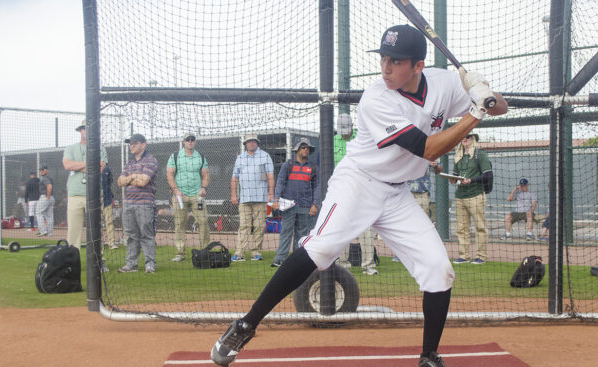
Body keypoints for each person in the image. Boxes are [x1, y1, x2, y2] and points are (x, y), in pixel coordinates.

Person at [211, 24, 507, 367]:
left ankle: (428, 356)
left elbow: (501, 107)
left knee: (439, 269)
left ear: (418, 66)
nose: (385, 66)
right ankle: (245, 325)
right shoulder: (376, 98)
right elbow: (427, 149)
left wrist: (485, 92)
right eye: (383, 58)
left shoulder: (443, 83)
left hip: (397, 194)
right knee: (320, 249)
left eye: (396, 61)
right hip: (359, 182)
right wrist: (475, 112)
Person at [333, 114, 379, 274]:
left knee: (367, 229)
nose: (344, 133)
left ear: (352, 126)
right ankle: (343, 266)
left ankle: (369, 266)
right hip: (342, 190)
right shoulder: (332, 142)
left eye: (347, 129)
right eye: (342, 130)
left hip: (363, 189)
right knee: (343, 228)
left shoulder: (363, 138)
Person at [270, 138, 320, 267]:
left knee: (302, 234)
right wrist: (276, 199)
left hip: (305, 205)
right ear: (297, 149)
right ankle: (280, 259)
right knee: (285, 231)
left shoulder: (313, 167)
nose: (306, 150)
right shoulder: (288, 164)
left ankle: (297, 260)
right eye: (303, 147)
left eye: (308, 148)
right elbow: (280, 181)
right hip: (288, 205)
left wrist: (315, 204)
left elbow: (317, 186)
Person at [62, 121, 108, 249]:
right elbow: (67, 165)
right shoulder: (70, 148)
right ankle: (72, 261)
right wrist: (90, 164)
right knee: (73, 231)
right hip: (74, 194)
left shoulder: (100, 148)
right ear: (80, 130)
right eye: (84, 128)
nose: (87, 131)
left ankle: (100, 260)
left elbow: (99, 169)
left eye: (90, 128)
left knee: (95, 230)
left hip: (94, 194)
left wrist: (78, 165)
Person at [117, 134, 159, 274]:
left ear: (143, 144)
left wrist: (129, 179)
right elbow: (120, 182)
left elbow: (143, 182)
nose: (132, 146)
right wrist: (134, 176)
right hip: (128, 203)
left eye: (134, 143)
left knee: (146, 235)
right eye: (130, 143)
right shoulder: (129, 163)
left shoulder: (151, 160)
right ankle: (131, 264)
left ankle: (150, 264)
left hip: (145, 204)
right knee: (131, 235)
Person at [167, 131, 210, 262]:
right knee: (179, 223)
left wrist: (203, 188)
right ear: (184, 142)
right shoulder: (175, 156)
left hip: (197, 196)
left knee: (203, 221)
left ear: (195, 141)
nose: (190, 141)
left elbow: (206, 176)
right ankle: (180, 253)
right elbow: (169, 175)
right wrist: (176, 190)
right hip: (180, 196)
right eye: (187, 139)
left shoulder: (200, 157)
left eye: (192, 139)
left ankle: (204, 251)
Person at [231, 133, 274, 262]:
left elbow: (270, 175)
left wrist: (271, 193)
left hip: (261, 198)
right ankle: (240, 253)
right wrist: (233, 194)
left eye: (254, 141)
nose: (251, 143)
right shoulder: (240, 158)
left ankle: (256, 252)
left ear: (257, 143)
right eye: (249, 141)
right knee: (244, 226)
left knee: (259, 226)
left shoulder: (265, 156)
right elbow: (234, 178)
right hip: (244, 198)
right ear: (245, 144)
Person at [450, 133, 491, 264]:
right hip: (460, 195)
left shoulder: (480, 154)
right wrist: (452, 179)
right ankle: (464, 256)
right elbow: (455, 175)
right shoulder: (458, 156)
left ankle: (481, 256)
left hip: (476, 195)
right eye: (462, 137)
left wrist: (471, 180)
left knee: (480, 226)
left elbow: (487, 175)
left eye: (468, 136)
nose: (464, 139)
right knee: (461, 228)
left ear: (473, 139)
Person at [101, 165, 119, 249]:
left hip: (107, 199)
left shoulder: (107, 169)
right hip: (95, 202)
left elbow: (110, 182)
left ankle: (111, 243)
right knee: (97, 224)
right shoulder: (91, 166)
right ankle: (98, 244)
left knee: (109, 222)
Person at [35, 166, 54, 237]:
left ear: (47, 171)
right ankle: (49, 233)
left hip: (45, 197)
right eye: (40, 170)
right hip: (51, 197)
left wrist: (47, 197)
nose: (41, 171)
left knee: (38, 213)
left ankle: (42, 230)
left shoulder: (45, 178)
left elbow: (49, 186)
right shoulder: (50, 177)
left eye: (43, 170)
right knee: (49, 216)